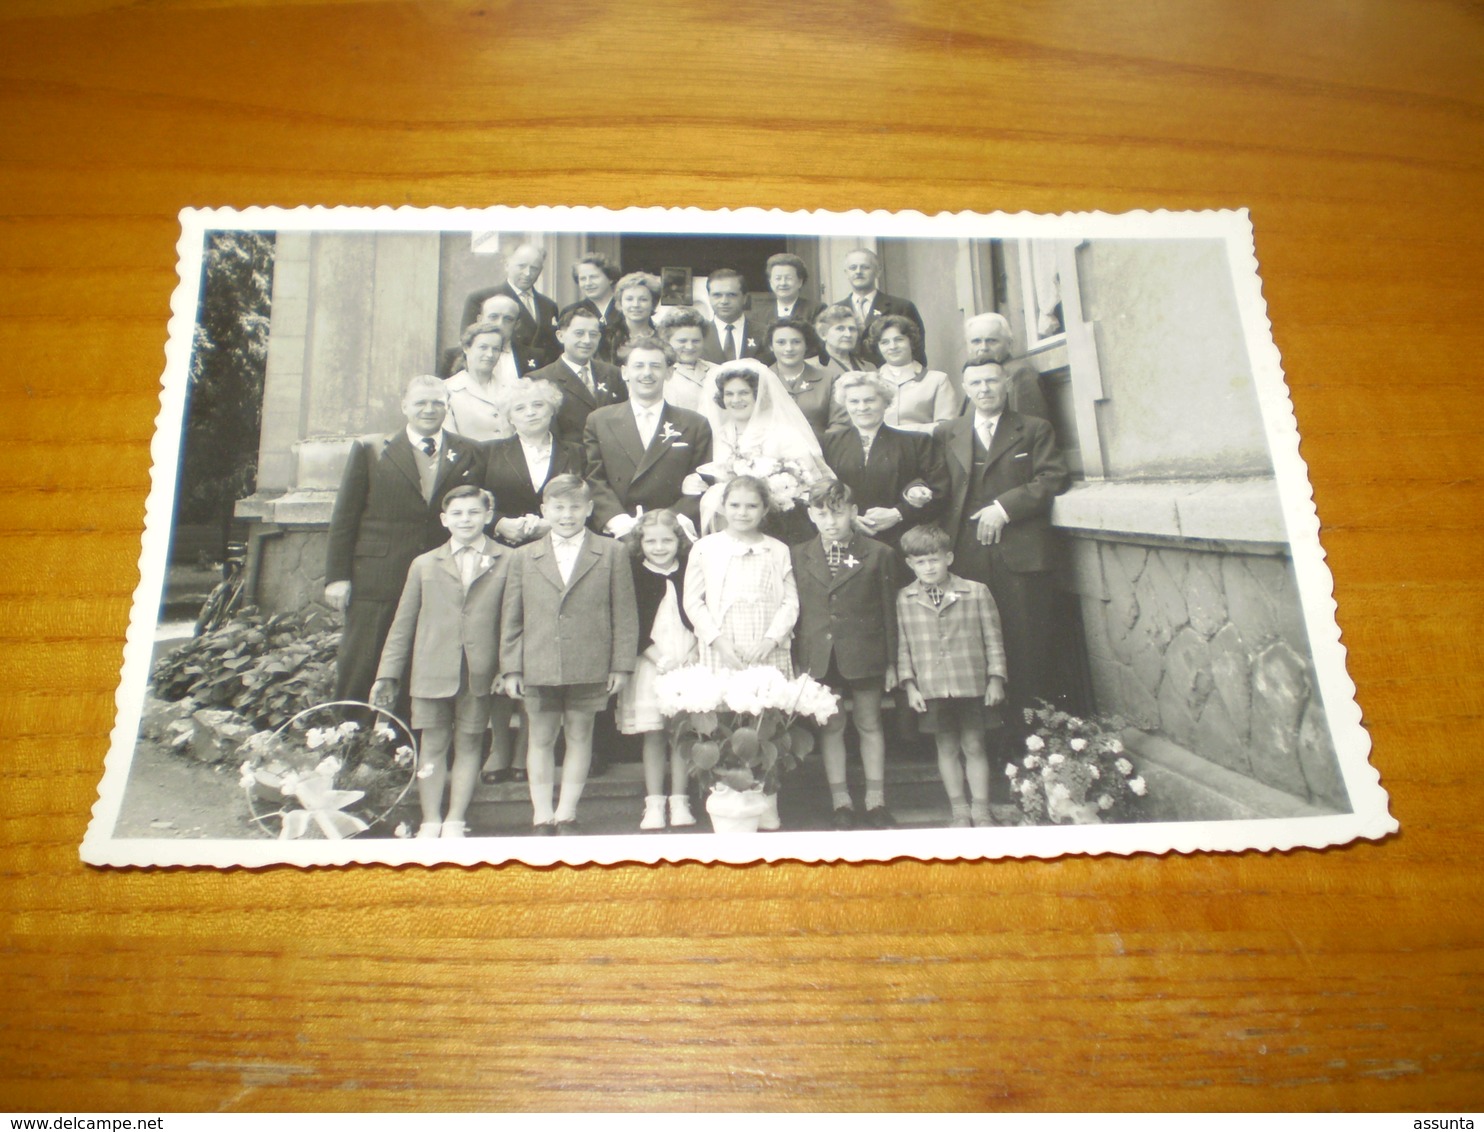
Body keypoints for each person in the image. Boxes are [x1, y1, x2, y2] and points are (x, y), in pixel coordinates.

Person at [324, 376, 487, 705]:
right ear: (404, 406)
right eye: (420, 403)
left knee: (423, 657)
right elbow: (345, 517)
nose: (429, 410)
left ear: (447, 406)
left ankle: (405, 741)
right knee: (364, 658)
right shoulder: (372, 449)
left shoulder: (469, 451)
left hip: (440, 574)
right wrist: (337, 577)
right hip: (379, 574)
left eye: (438, 403)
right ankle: (349, 736)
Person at [499, 475, 639, 834]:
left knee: (580, 735)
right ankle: (541, 813)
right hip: (539, 662)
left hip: (590, 662)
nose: (567, 515)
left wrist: (621, 665)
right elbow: (512, 618)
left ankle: (566, 812)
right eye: (558, 508)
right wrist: (512, 667)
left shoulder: (612, 552)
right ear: (544, 510)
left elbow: (624, 613)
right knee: (540, 737)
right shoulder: (523, 556)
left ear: (589, 509)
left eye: (575, 507)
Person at [934, 362, 1069, 728]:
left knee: (1024, 644)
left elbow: (1052, 477)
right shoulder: (949, 431)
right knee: (973, 644)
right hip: (966, 552)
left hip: (1019, 554)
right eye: (975, 382)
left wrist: (1004, 508)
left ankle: (1028, 739)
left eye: (992, 380)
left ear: (1006, 383)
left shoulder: (1033, 429)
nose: (984, 388)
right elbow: (937, 484)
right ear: (964, 388)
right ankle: (984, 738)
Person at [371, 486, 510, 839]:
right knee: (432, 744)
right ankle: (431, 818)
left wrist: (506, 668)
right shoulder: (424, 564)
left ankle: (455, 819)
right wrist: (388, 674)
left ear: (488, 515)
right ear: (445, 520)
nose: (466, 520)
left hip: (479, 671)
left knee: (469, 743)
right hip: (432, 669)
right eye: (458, 514)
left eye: (474, 512)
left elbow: (514, 621)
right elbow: (403, 624)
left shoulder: (508, 560)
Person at [478, 379, 585, 786]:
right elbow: (476, 499)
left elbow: (583, 497)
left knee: (539, 641)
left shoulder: (574, 452)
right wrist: (498, 521)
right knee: (502, 639)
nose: (531, 413)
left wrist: (548, 523)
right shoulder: (490, 452)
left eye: (539, 405)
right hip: (503, 554)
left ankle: (528, 745)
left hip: (556, 553)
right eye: (521, 409)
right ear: (509, 416)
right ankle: (499, 745)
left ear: (552, 410)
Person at [791, 480, 898, 831]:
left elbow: (889, 611)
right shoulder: (798, 554)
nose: (831, 522)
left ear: (853, 512)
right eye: (822, 514)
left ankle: (876, 801)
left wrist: (893, 662)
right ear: (810, 515)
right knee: (832, 726)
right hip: (821, 655)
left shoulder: (878, 553)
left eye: (838, 513)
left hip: (865, 652)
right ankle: (842, 802)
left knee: (869, 722)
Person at [896, 523, 1008, 829]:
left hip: (970, 683)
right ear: (910, 564)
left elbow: (993, 638)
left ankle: (981, 810)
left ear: (949, 557)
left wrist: (996, 678)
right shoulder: (904, 599)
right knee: (946, 748)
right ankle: (959, 810)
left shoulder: (975, 592)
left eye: (934, 559)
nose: (928, 567)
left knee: (974, 745)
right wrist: (910, 686)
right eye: (921, 562)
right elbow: (903, 645)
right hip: (932, 687)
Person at [618, 510, 699, 832]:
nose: (659, 547)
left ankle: (680, 800)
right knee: (653, 734)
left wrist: (693, 652)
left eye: (666, 540)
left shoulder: (690, 571)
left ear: (678, 541)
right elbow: (631, 624)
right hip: (652, 660)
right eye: (650, 541)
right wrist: (659, 658)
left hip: (689, 658)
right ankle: (654, 803)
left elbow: (700, 614)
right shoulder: (634, 574)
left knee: (682, 733)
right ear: (640, 543)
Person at [584, 335, 713, 534]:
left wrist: (668, 524)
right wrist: (619, 522)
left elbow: (702, 484)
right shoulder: (599, 421)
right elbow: (594, 480)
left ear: (669, 373)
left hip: (673, 532)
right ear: (625, 372)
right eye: (639, 366)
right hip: (619, 531)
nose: (647, 373)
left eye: (655, 366)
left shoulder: (694, 424)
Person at [693, 357, 829, 536]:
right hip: (726, 522)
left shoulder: (783, 432)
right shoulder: (716, 434)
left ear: (758, 395)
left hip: (779, 524)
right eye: (729, 394)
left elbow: (809, 479)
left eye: (744, 393)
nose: (736, 400)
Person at [684, 476, 799, 677]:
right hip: (722, 644)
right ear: (723, 506)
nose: (742, 513)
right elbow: (693, 601)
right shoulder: (705, 547)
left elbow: (790, 602)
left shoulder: (778, 549)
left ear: (764, 509)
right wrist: (717, 640)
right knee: (723, 702)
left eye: (752, 506)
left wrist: (772, 639)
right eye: (735, 505)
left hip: (766, 645)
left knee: (767, 700)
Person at [822, 371, 949, 548]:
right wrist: (848, 518)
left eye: (870, 400)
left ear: (886, 402)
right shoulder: (828, 443)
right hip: (845, 539)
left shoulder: (916, 442)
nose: (862, 407)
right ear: (845, 404)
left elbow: (940, 492)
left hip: (900, 540)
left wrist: (898, 513)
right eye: (854, 401)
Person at [526, 305, 626, 445]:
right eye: (579, 333)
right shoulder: (540, 380)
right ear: (560, 336)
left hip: (610, 460)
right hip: (569, 462)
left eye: (593, 334)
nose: (587, 341)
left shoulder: (613, 373)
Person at [459, 243, 560, 372]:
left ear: (541, 270)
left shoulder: (548, 305)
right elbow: (468, 341)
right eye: (521, 266)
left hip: (539, 378)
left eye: (534, 268)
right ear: (507, 265)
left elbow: (553, 349)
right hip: (499, 371)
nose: (528, 273)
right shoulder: (481, 298)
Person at [866, 315, 957, 434]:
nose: (892, 347)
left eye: (899, 339)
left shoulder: (937, 380)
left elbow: (947, 428)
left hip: (922, 449)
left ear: (911, 341)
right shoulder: (869, 381)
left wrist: (904, 432)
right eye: (885, 342)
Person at [836, 248, 926, 364]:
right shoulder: (836, 310)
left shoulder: (901, 307)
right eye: (853, 268)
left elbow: (917, 349)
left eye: (865, 267)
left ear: (878, 271)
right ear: (846, 273)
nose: (858, 272)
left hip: (892, 377)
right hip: (850, 377)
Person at [964, 311, 1051, 424]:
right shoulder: (972, 375)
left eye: (991, 341)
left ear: (1009, 344)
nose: (983, 348)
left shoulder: (1020, 373)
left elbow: (1030, 430)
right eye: (976, 342)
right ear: (968, 346)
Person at [444, 319, 518, 441]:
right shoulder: (448, 389)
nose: (490, 354)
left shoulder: (512, 388)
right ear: (466, 348)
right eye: (483, 347)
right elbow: (449, 440)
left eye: (496, 349)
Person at [766, 317, 835, 438]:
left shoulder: (828, 379)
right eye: (781, 342)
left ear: (806, 345)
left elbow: (838, 425)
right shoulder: (760, 379)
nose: (789, 349)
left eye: (796, 342)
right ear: (771, 346)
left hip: (819, 451)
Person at [700, 269, 768, 364]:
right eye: (717, 295)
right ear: (709, 297)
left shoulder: (765, 333)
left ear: (744, 298)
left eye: (732, 295)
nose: (724, 301)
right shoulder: (700, 335)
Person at [657, 306, 715, 411]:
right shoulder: (659, 374)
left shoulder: (717, 370)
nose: (690, 347)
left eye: (696, 341)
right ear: (667, 341)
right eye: (682, 341)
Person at [604, 271, 662, 363]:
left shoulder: (662, 336)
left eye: (643, 299)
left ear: (653, 304)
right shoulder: (606, 337)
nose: (635, 305)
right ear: (620, 304)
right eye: (629, 299)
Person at [812, 304, 876, 380]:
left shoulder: (870, 368)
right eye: (840, 329)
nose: (848, 334)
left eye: (852, 329)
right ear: (823, 334)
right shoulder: (811, 367)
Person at [762, 252, 823, 326]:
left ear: (800, 282)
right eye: (778, 278)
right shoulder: (761, 314)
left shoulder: (816, 310)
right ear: (771, 282)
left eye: (788, 278)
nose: (783, 283)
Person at [572, 252, 622, 331]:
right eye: (583, 279)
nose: (588, 283)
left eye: (594, 277)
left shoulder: (626, 308)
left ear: (610, 278)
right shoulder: (571, 311)